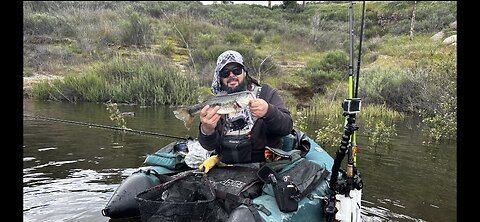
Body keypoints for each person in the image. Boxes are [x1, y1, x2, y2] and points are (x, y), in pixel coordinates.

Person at [198, 50, 293, 172]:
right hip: (226, 168)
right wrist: (207, 130)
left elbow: (287, 127)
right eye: (225, 73)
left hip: (264, 167)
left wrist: (269, 111)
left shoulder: (266, 93)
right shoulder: (216, 101)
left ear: (244, 72)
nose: (232, 75)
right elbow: (209, 146)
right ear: (219, 77)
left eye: (237, 70)